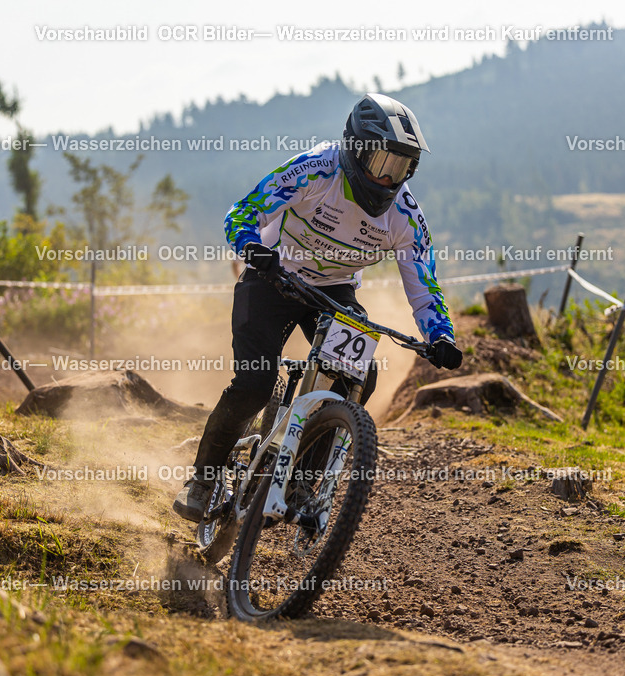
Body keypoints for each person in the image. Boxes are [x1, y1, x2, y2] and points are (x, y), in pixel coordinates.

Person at [173, 93, 463, 522]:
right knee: (254, 383)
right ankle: (202, 479)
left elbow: (424, 286)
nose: (390, 180)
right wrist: (251, 245)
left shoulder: (405, 215)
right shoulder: (316, 168)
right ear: (356, 150)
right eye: (384, 165)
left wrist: (441, 336)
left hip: (334, 290)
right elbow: (244, 211)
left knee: (360, 376)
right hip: (272, 276)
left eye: (402, 169)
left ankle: (303, 481)